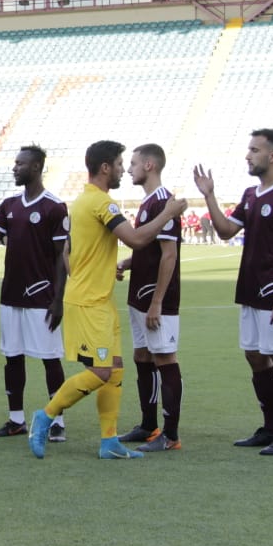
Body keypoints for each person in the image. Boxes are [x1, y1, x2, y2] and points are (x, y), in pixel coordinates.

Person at [28, 141, 185, 459]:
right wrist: (168, 212)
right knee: (101, 371)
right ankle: (45, 417)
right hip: (89, 304)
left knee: (114, 371)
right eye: (118, 164)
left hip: (98, 301)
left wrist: (97, 270)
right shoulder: (102, 204)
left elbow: (69, 253)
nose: (122, 170)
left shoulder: (83, 201)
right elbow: (138, 239)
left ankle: (109, 441)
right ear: (104, 168)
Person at [193, 129, 273, 456]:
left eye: (254, 150)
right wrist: (209, 196)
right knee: (256, 357)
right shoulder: (251, 194)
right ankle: (270, 427)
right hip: (250, 290)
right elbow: (226, 230)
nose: (248, 155)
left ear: (272, 156)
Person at [0, 145, 69, 442]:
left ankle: (58, 419)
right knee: (12, 357)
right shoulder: (9, 204)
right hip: (11, 295)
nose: (14, 168)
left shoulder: (54, 207)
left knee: (50, 358)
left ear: (36, 167)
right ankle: (16, 420)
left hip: (41, 296)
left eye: (20, 164)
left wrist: (58, 300)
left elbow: (62, 257)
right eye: (15, 163)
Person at [115, 144, 185, 452]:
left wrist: (157, 301)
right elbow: (150, 249)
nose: (128, 169)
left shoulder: (163, 203)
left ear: (150, 165)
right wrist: (127, 263)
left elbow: (169, 256)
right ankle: (148, 425)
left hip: (157, 299)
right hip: (138, 296)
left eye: (133, 163)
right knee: (142, 357)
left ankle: (170, 435)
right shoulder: (148, 203)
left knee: (164, 358)